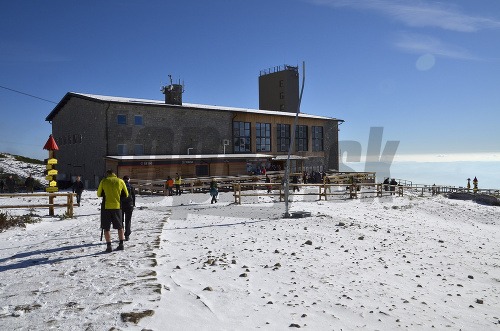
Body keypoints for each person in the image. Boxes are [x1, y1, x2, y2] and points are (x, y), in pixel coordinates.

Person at [97, 170, 128, 253]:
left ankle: (109, 246)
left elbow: (99, 194)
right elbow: (126, 194)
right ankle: (121, 244)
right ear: (114, 174)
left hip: (106, 207)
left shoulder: (104, 181)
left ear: (107, 174)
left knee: (106, 228)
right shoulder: (120, 181)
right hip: (117, 207)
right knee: (120, 226)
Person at [121, 176, 135, 241]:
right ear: (129, 180)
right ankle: (127, 234)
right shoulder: (131, 186)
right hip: (129, 205)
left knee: (121, 220)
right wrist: (133, 204)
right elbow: (133, 196)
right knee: (128, 220)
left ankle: (121, 234)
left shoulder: (120, 186)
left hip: (121, 205)